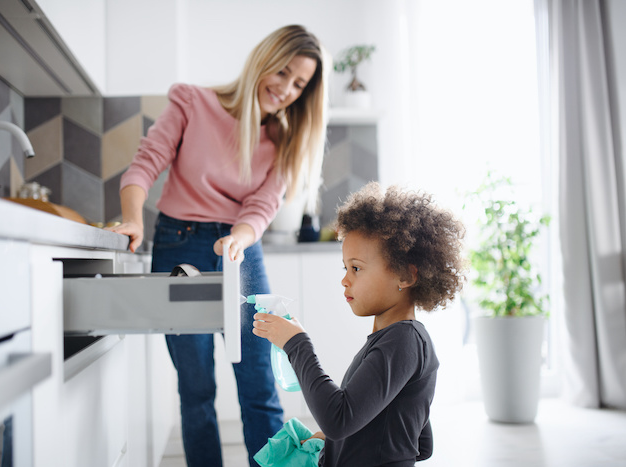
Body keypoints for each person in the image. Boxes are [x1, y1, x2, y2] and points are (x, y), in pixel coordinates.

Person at [107, 25, 329, 467]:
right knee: (196, 389)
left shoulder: (286, 139)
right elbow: (147, 162)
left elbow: (263, 203)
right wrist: (133, 217)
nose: (285, 89)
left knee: (258, 386)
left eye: (299, 84)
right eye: (282, 72)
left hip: (240, 251)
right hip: (177, 244)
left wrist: (240, 238)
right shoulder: (192, 101)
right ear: (262, 59)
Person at [252, 182, 466, 466]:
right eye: (345, 267)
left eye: (356, 268)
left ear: (406, 276)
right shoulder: (402, 342)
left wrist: (297, 345)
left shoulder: (403, 343)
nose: (345, 279)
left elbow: (338, 419)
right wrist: (331, 441)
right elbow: (418, 443)